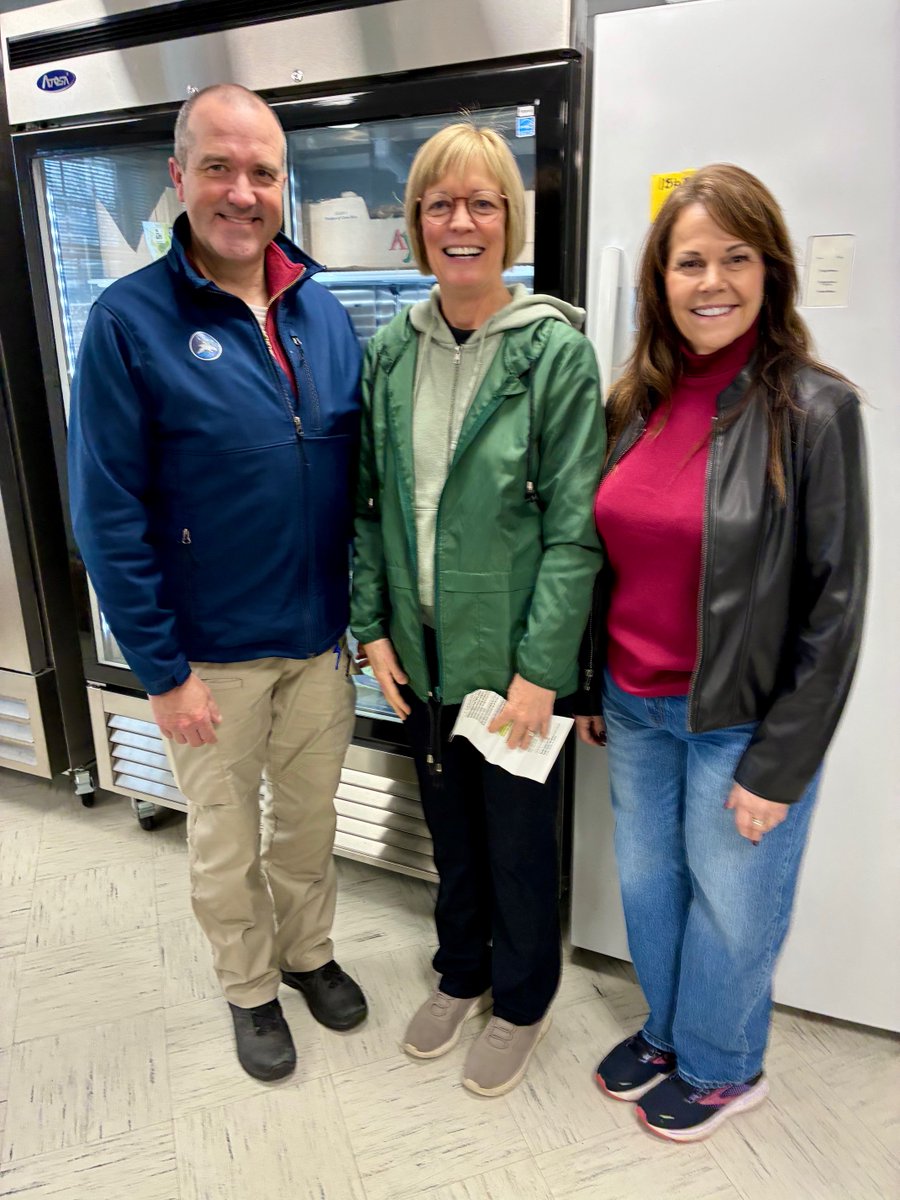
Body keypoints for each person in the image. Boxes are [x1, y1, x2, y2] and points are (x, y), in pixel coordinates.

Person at [68, 84, 367, 1082]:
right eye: (219, 168)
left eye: (263, 172)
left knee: (311, 825)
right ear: (178, 179)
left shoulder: (323, 315)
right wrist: (162, 669)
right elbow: (107, 513)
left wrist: (359, 626)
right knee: (225, 840)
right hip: (208, 659)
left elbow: (353, 486)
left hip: (319, 646)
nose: (243, 192)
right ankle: (249, 986)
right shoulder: (127, 323)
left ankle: (308, 954)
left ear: (286, 184)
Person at [575, 164, 868, 1141]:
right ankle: (668, 1032)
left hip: (737, 720)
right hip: (635, 705)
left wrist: (782, 762)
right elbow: (605, 556)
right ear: (660, 279)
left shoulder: (817, 409)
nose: (711, 281)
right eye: (689, 261)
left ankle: (723, 1065)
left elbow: (837, 602)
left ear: (769, 268)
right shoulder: (637, 399)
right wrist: (588, 685)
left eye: (734, 258)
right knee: (652, 891)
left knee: (734, 908)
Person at [351, 123, 605, 1097]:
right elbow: (370, 504)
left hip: (512, 670)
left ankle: (524, 997)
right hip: (419, 655)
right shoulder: (390, 356)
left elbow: (577, 531)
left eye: (482, 203)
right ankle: (461, 972)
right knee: (451, 833)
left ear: (510, 221)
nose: (461, 222)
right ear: (418, 224)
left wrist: (545, 670)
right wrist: (371, 626)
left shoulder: (553, 354)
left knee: (516, 840)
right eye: (440, 204)